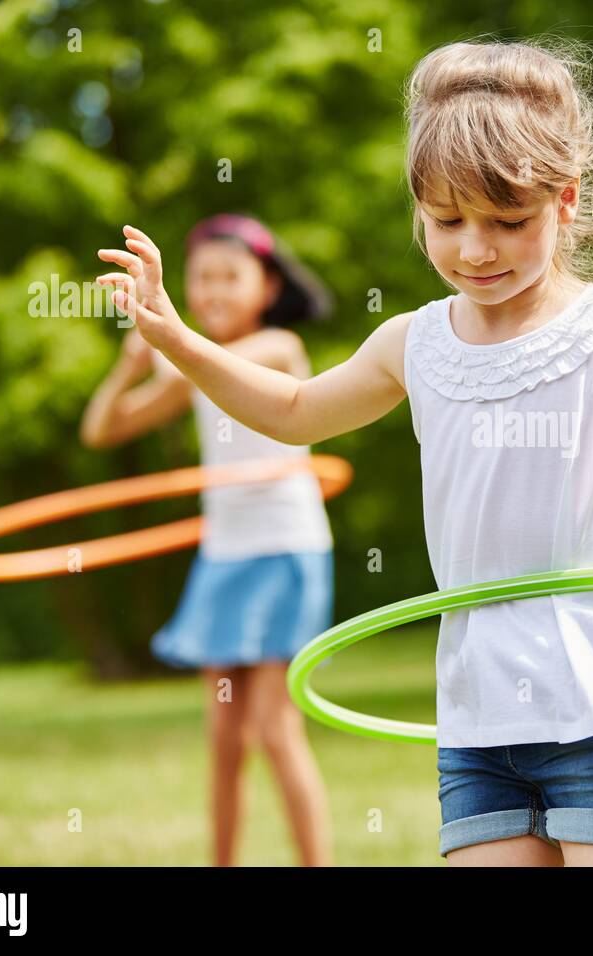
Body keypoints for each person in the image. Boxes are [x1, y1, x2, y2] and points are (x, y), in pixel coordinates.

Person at [94, 38, 593, 866]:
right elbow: (289, 411)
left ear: (565, 202)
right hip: (480, 716)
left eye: (507, 221)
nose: (475, 249)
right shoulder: (412, 343)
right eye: (447, 220)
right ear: (418, 210)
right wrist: (174, 336)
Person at [81, 213, 337, 866]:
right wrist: (127, 364)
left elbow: (213, 365)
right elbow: (101, 431)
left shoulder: (276, 347)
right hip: (223, 557)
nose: (214, 291)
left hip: (284, 552)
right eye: (202, 279)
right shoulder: (189, 367)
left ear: (268, 284)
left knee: (274, 729)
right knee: (224, 735)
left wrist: (169, 345)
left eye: (230, 277)